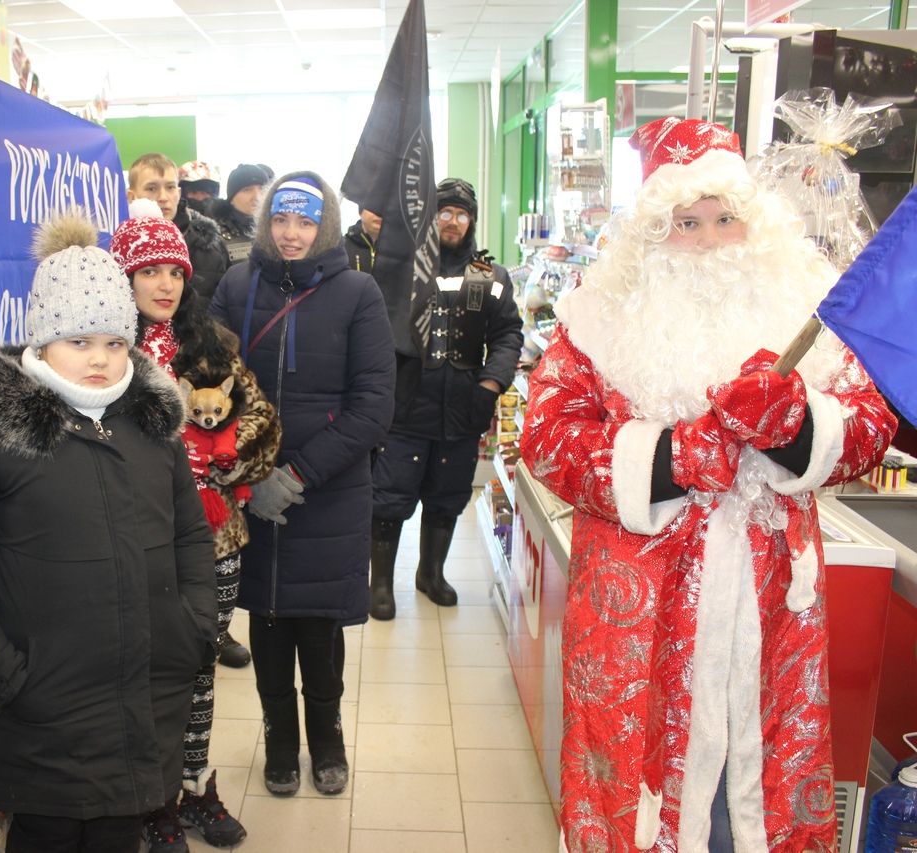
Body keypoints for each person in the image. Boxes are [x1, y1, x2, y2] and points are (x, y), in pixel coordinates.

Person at [519, 117, 897, 851]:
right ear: (654, 234)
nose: (707, 239)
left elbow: (868, 427)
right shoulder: (596, 320)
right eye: (685, 222)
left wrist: (793, 426)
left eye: (725, 219)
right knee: (636, 798)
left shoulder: (805, 313)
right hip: (638, 614)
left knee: (756, 800)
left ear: (754, 228)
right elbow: (547, 435)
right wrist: (673, 455)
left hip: (771, 612)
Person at [0, 210, 218, 853]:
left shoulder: (152, 427)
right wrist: (11, 674)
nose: (99, 360)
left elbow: (188, 536)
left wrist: (193, 626)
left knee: (122, 831)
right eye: (78, 342)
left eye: (114, 342)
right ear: (40, 344)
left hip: (145, 694)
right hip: (43, 713)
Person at [210, 172, 395, 797]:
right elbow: (206, 377)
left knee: (318, 626)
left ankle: (328, 737)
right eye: (282, 220)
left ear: (326, 226)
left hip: (330, 491)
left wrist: (294, 475)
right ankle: (280, 741)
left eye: (306, 222)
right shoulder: (237, 285)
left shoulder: (358, 293)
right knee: (265, 619)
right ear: (266, 222)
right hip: (251, 491)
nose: (292, 234)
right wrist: (245, 473)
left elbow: (373, 406)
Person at [110, 199, 280, 852]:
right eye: (148, 270)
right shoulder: (108, 358)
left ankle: (196, 785)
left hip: (216, 540)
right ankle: (151, 799)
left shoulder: (211, 349)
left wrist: (226, 457)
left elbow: (260, 416)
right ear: (124, 279)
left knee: (201, 667)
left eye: (174, 271)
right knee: (150, 673)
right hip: (139, 545)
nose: (164, 284)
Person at [370, 178, 523, 618]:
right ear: (430, 218)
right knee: (390, 495)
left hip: (462, 407)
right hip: (404, 405)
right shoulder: (401, 270)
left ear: (471, 221)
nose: (453, 221)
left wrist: (491, 384)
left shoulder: (490, 276)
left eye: (461, 214)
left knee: (448, 494)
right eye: (445, 212)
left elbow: (509, 333)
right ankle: (380, 583)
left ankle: (430, 574)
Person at [127, 153, 229, 302]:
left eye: (170, 187)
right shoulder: (116, 248)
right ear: (131, 196)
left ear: (179, 193)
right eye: (151, 188)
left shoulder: (211, 246)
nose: (163, 197)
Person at [210, 163, 271, 267]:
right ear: (231, 199)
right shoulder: (215, 237)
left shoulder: (276, 230)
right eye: (247, 190)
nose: (257, 197)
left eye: (262, 188)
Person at [343, 208, 381, 273]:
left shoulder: (400, 252)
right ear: (360, 211)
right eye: (373, 205)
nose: (379, 213)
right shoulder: (340, 248)